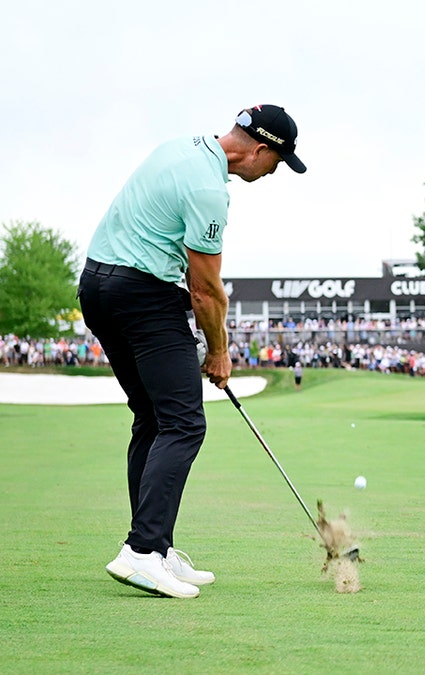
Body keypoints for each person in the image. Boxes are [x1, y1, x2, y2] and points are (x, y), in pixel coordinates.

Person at [77, 105, 306, 598]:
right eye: (277, 163)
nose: (272, 174)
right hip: (141, 296)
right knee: (184, 422)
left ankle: (154, 549)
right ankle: (140, 552)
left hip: (97, 287)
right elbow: (205, 289)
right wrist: (219, 352)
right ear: (260, 149)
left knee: (154, 418)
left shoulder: (177, 149)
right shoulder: (209, 191)